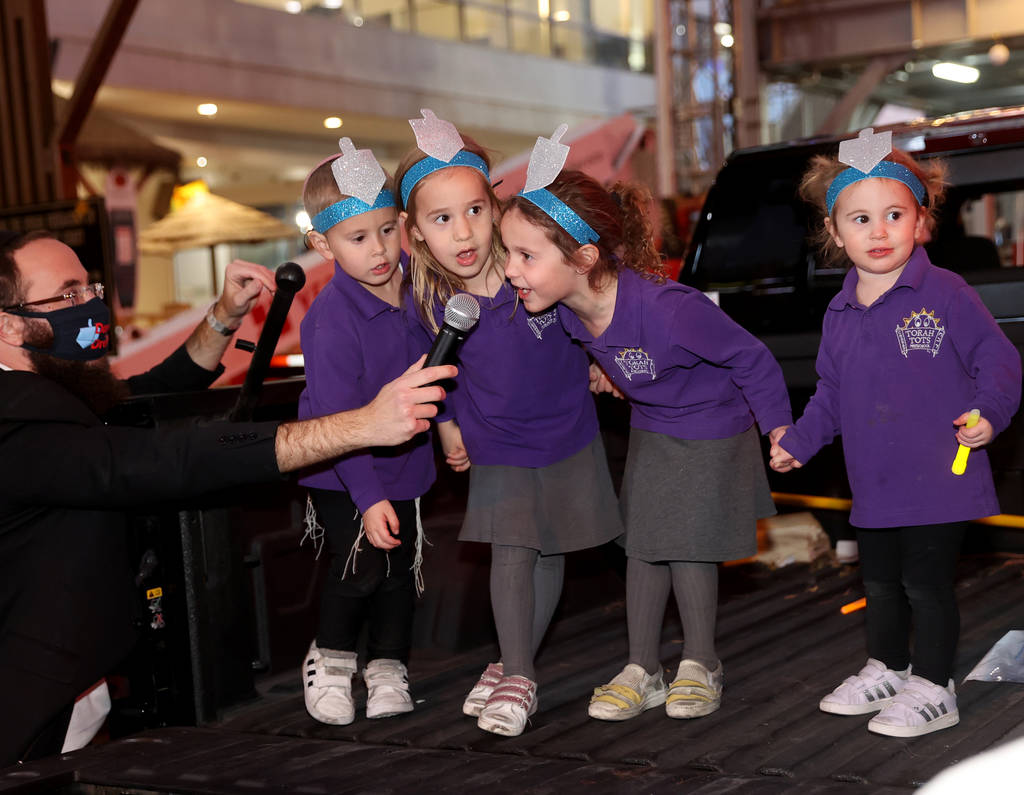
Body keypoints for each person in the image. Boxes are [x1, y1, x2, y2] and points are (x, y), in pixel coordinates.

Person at [0, 229, 457, 782]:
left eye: (90, 288)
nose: (90, 304)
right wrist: (358, 426)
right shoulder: (5, 422)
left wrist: (223, 318)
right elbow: (162, 459)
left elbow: (144, 396)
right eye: (68, 294)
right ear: (9, 324)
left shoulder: (25, 386)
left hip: (52, 696)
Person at [497, 135, 792, 723]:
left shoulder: (670, 309)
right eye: (509, 253)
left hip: (714, 425)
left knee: (686, 545)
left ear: (582, 258)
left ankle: (701, 661)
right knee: (641, 545)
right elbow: (607, 349)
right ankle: (642, 667)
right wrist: (607, 372)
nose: (511, 271)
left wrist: (779, 428)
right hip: (655, 422)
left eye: (526, 256)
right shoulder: (567, 310)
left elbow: (751, 358)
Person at [769, 130, 1021, 737]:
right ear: (835, 232)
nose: (878, 231)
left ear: (920, 222)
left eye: (893, 215)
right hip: (875, 481)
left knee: (926, 586)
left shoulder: (946, 294)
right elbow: (830, 392)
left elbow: (1000, 359)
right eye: (861, 219)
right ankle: (888, 666)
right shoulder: (840, 311)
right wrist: (799, 441)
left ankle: (935, 686)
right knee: (879, 584)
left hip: (942, 473)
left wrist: (988, 412)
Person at [396, 111, 624, 737]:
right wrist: (445, 427)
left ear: (495, 208)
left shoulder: (532, 269)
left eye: (474, 210)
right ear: (415, 234)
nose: (463, 231)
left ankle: (511, 657)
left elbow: (589, 305)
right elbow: (437, 374)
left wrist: (604, 361)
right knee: (511, 548)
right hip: (495, 440)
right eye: (441, 220)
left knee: (549, 549)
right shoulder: (436, 300)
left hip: (567, 432)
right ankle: (522, 671)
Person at [295, 139, 435, 725]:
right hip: (341, 466)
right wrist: (369, 497)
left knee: (399, 573)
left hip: (404, 456)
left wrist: (448, 427)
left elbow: (438, 366)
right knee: (358, 569)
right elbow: (335, 420)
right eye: (357, 239)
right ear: (322, 244)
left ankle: (387, 666)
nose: (378, 251)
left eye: (386, 231)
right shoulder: (327, 322)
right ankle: (330, 661)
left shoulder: (421, 287)